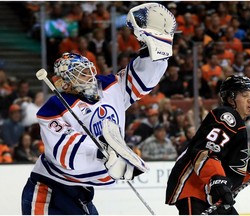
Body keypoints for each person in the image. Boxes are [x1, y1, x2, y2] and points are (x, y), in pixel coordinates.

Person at [21, 3, 176, 214]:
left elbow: (140, 79)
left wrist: (156, 51)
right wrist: (103, 152)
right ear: (65, 83)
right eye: (80, 73)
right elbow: (63, 153)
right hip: (51, 191)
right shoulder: (54, 109)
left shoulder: (109, 86)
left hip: (82, 193)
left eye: (88, 69)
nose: (89, 76)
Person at [165, 75, 250, 215]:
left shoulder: (238, 125)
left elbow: (232, 166)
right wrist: (218, 181)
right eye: (244, 95)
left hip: (213, 194)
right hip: (195, 190)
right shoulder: (227, 116)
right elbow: (206, 152)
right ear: (231, 99)